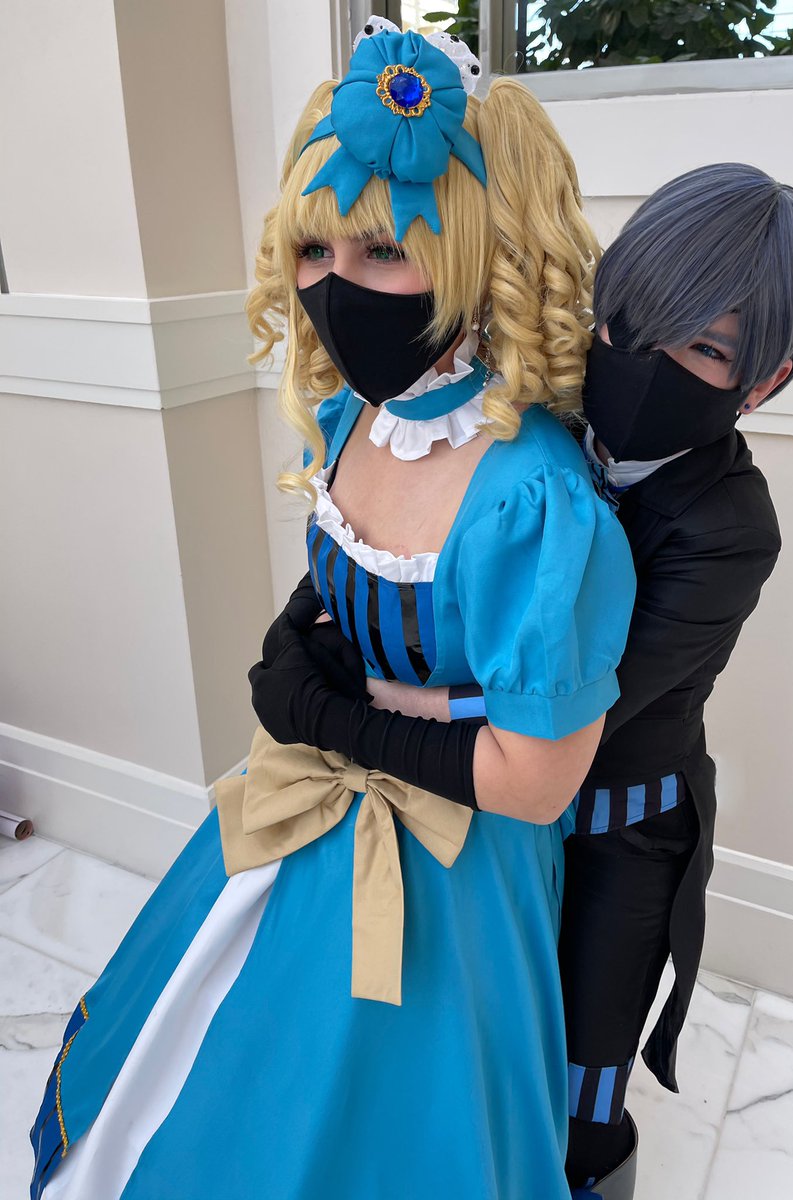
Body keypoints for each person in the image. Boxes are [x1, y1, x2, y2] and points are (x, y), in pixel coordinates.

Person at [29, 22, 635, 1200]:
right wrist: (297, 640)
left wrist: (333, 719)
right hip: (301, 803)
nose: (333, 284)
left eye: (385, 250)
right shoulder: (362, 414)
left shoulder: (531, 497)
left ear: (479, 251)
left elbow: (536, 781)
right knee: (219, 1071)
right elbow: (348, 575)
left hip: (455, 866)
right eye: (314, 246)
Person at [251, 162, 793, 1198]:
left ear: (766, 378)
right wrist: (311, 617)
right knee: (467, 1061)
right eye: (627, 325)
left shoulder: (728, 528)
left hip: (611, 829)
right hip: (482, 824)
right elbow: (425, 537)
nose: (644, 363)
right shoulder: (540, 409)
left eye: (703, 349)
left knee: (579, 1088)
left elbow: (564, 713)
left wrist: (354, 702)